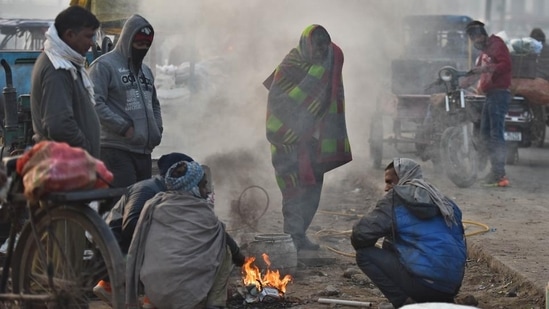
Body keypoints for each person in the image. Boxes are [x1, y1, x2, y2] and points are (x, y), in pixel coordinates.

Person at [95, 152, 243, 307]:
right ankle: (111, 286)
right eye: (203, 184)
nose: (207, 190)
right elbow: (131, 226)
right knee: (211, 250)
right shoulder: (147, 190)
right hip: (116, 249)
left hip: (136, 253)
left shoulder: (170, 196)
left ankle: (152, 298)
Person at [264, 24, 352, 251]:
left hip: (315, 139)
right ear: (306, 46)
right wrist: (298, 124)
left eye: (323, 50)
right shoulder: (291, 64)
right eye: (316, 50)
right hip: (287, 138)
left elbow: (337, 55)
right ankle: (292, 238)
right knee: (293, 189)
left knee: (313, 187)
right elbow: (278, 101)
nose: (319, 55)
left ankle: (300, 236)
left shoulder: (328, 60)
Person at [351, 158, 467, 309]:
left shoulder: (396, 198)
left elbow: (360, 235)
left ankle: (404, 303)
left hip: (425, 285)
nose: (386, 188)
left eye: (390, 182)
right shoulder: (443, 200)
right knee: (391, 241)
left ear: (403, 179)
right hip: (451, 287)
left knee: (364, 255)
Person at [89, 14, 163, 188]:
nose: (142, 49)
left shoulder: (145, 71)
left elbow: (155, 104)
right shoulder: (104, 66)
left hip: (143, 150)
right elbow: (94, 103)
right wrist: (123, 127)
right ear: (127, 41)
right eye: (139, 44)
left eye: (146, 45)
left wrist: (157, 129)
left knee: (141, 204)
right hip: (115, 150)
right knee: (124, 204)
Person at [30, 5, 101, 157]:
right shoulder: (57, 68)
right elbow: (58, 125)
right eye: (89, 36)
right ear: (69, 35)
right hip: (66, 166)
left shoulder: (67, 62)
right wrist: (85, 149)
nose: (92, 43)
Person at [459, 20, 512, 187]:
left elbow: (506, 65)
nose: (474, 43)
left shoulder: (496, 44)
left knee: (496, 135)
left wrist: (485, 69)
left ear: (481, 35)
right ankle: (493, 172)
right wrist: (462, 82)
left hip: (500, 94)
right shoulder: (484, 53)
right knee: (484, 134)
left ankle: (500, 175)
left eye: (474, 38)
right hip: (490, 96)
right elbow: (476, 74)